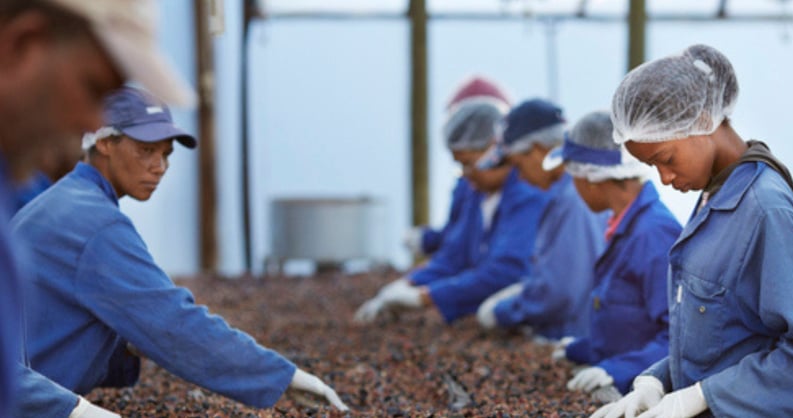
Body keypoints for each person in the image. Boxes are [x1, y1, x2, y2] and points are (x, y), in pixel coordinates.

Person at [12, 87, 348, 415]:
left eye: (166, 153)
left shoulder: (64, 203)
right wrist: (283, 376)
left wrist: (129, 339)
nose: (160, 167)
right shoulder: (96, 224)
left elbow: (52, 317)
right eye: (146, 150)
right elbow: (173, 320)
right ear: (103, 142)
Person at [589, 44, 793, 418]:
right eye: (652, 166)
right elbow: (723, 334)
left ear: (701, 121)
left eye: (666, 159)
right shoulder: (715, 194)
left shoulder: (763, 209)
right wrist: (657, 380)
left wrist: (704, 396)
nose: (664, 178)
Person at [0, 0, 192, 416]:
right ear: (23, 45)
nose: (94, 123)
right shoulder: (84, 215)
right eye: (92, 88)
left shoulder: (21, 188)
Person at [354, 100, 547, 324]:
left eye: (469, 163)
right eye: (460, 166)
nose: (466, 174)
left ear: (495, 150)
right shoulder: (476, 194)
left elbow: (506, 270)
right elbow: (454, 254)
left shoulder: (527, 194)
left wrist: (426, 297)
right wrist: (410, 283)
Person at [543, 111, 680, 401]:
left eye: (573, 177)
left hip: (646, 398)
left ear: (591, 178)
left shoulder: (653, 235)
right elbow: (629, 323)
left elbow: (681, 339)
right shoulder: (623, 227)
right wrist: (583, 348)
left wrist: (617, 370)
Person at [475, 99, 607, 341]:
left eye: (518, 165)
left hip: (578, 340)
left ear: (537, 150)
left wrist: (506, 310)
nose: (520, 177)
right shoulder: (568, 192)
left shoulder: (573, 199)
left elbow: (561, 292)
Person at [404, 75, 512, 256]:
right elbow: (457, 241)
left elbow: (504, 264)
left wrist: (438, 284)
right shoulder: (473, 183)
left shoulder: (522, 189)